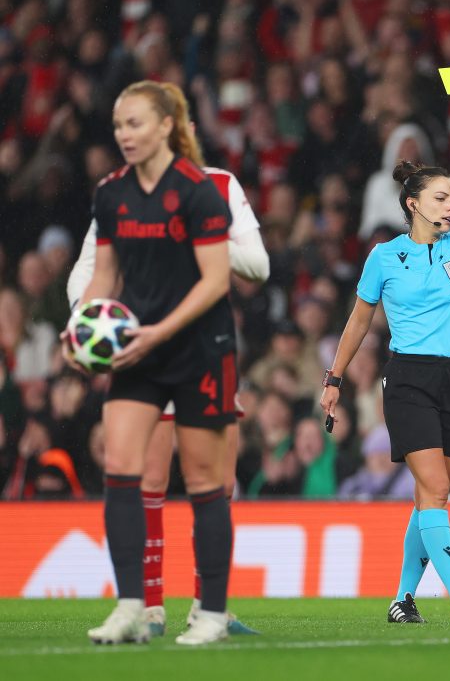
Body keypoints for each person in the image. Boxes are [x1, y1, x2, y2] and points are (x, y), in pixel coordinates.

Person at [66, 82, 268, 638]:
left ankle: (210, 611)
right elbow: (102, 277)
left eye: (134, 123)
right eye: (117, 125)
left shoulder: (203, 192)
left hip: (198, 347)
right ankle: (133, 606)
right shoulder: (110, 194)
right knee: (121, 470)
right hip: (138, 348)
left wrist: (158, 333)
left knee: (206, 482)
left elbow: (216, 281)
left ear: (166, 126)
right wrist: (80, 328)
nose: (123, 135)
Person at [320, 84, 450, 625]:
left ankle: (402, 600)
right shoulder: (384, 256)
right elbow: (358, 322)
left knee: (429, 497)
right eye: (441, 198)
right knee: (439, 489)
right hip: (409, 379)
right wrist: (334, 378)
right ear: (412, 204)